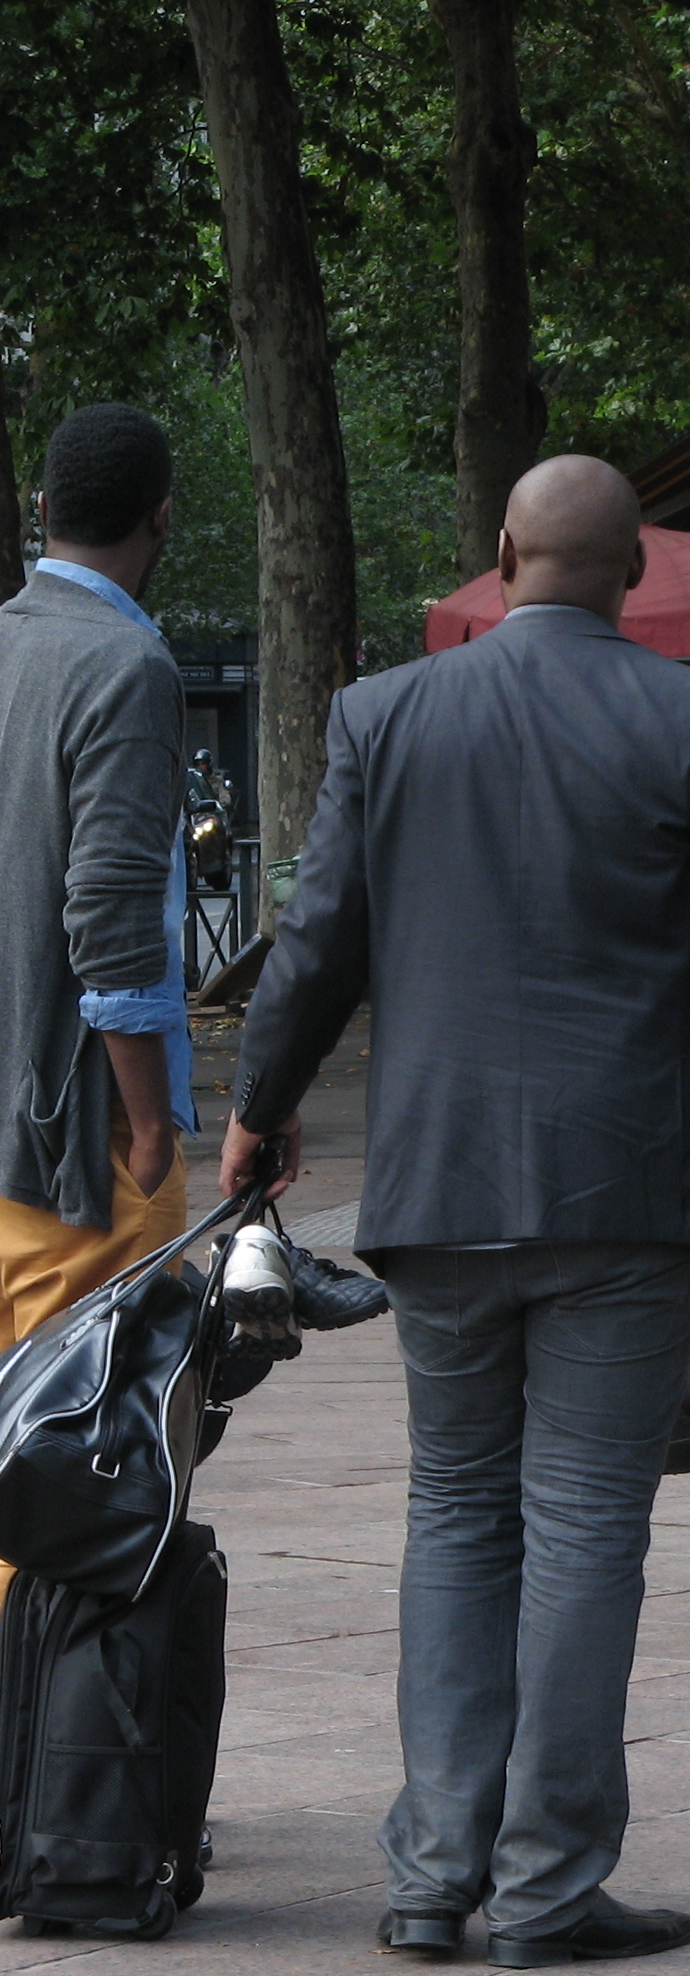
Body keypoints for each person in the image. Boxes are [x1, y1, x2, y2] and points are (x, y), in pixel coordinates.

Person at [218, 457, 690, 1971]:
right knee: (585, 1522)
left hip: (440, 1186)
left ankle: (434, 1871)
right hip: (631, 1192)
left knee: (455, 1508)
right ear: (630, 576)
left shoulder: (383, 715)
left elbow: (316, 938)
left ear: (501, 554)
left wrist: (257, 1104)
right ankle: (548, 1884)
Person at [0, 405, 197, 1346]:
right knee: (97, 1425)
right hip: (82, 1147)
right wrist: (151, 1129)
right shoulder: (126, 666)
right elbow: (111, 916)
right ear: (162, 515)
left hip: (14, 1137)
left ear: (43, 507)